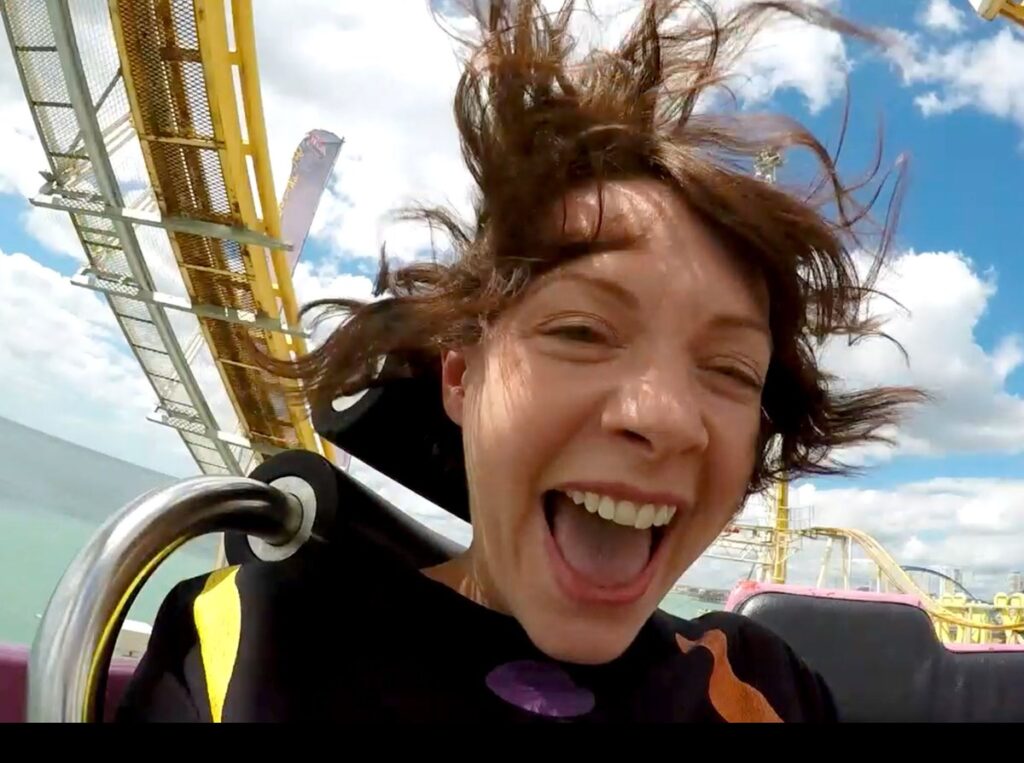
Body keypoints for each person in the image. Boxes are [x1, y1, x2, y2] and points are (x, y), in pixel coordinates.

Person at [116, 0, 924, 722]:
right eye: (582, 331)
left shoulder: (761, 686)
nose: (666, 417)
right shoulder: (265, 645)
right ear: (460, 372)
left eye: (730, 372)